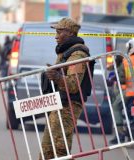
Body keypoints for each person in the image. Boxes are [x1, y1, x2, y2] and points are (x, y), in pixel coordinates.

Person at [39, 17, 93, 159]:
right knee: (48, 149)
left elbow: (73, 85)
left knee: (59, 149)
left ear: (70, 33)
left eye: (59, 32)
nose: (56, 36)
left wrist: (56, 77)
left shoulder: (78, 54)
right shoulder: (65, 52)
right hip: (59, 103)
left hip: (68, 106)